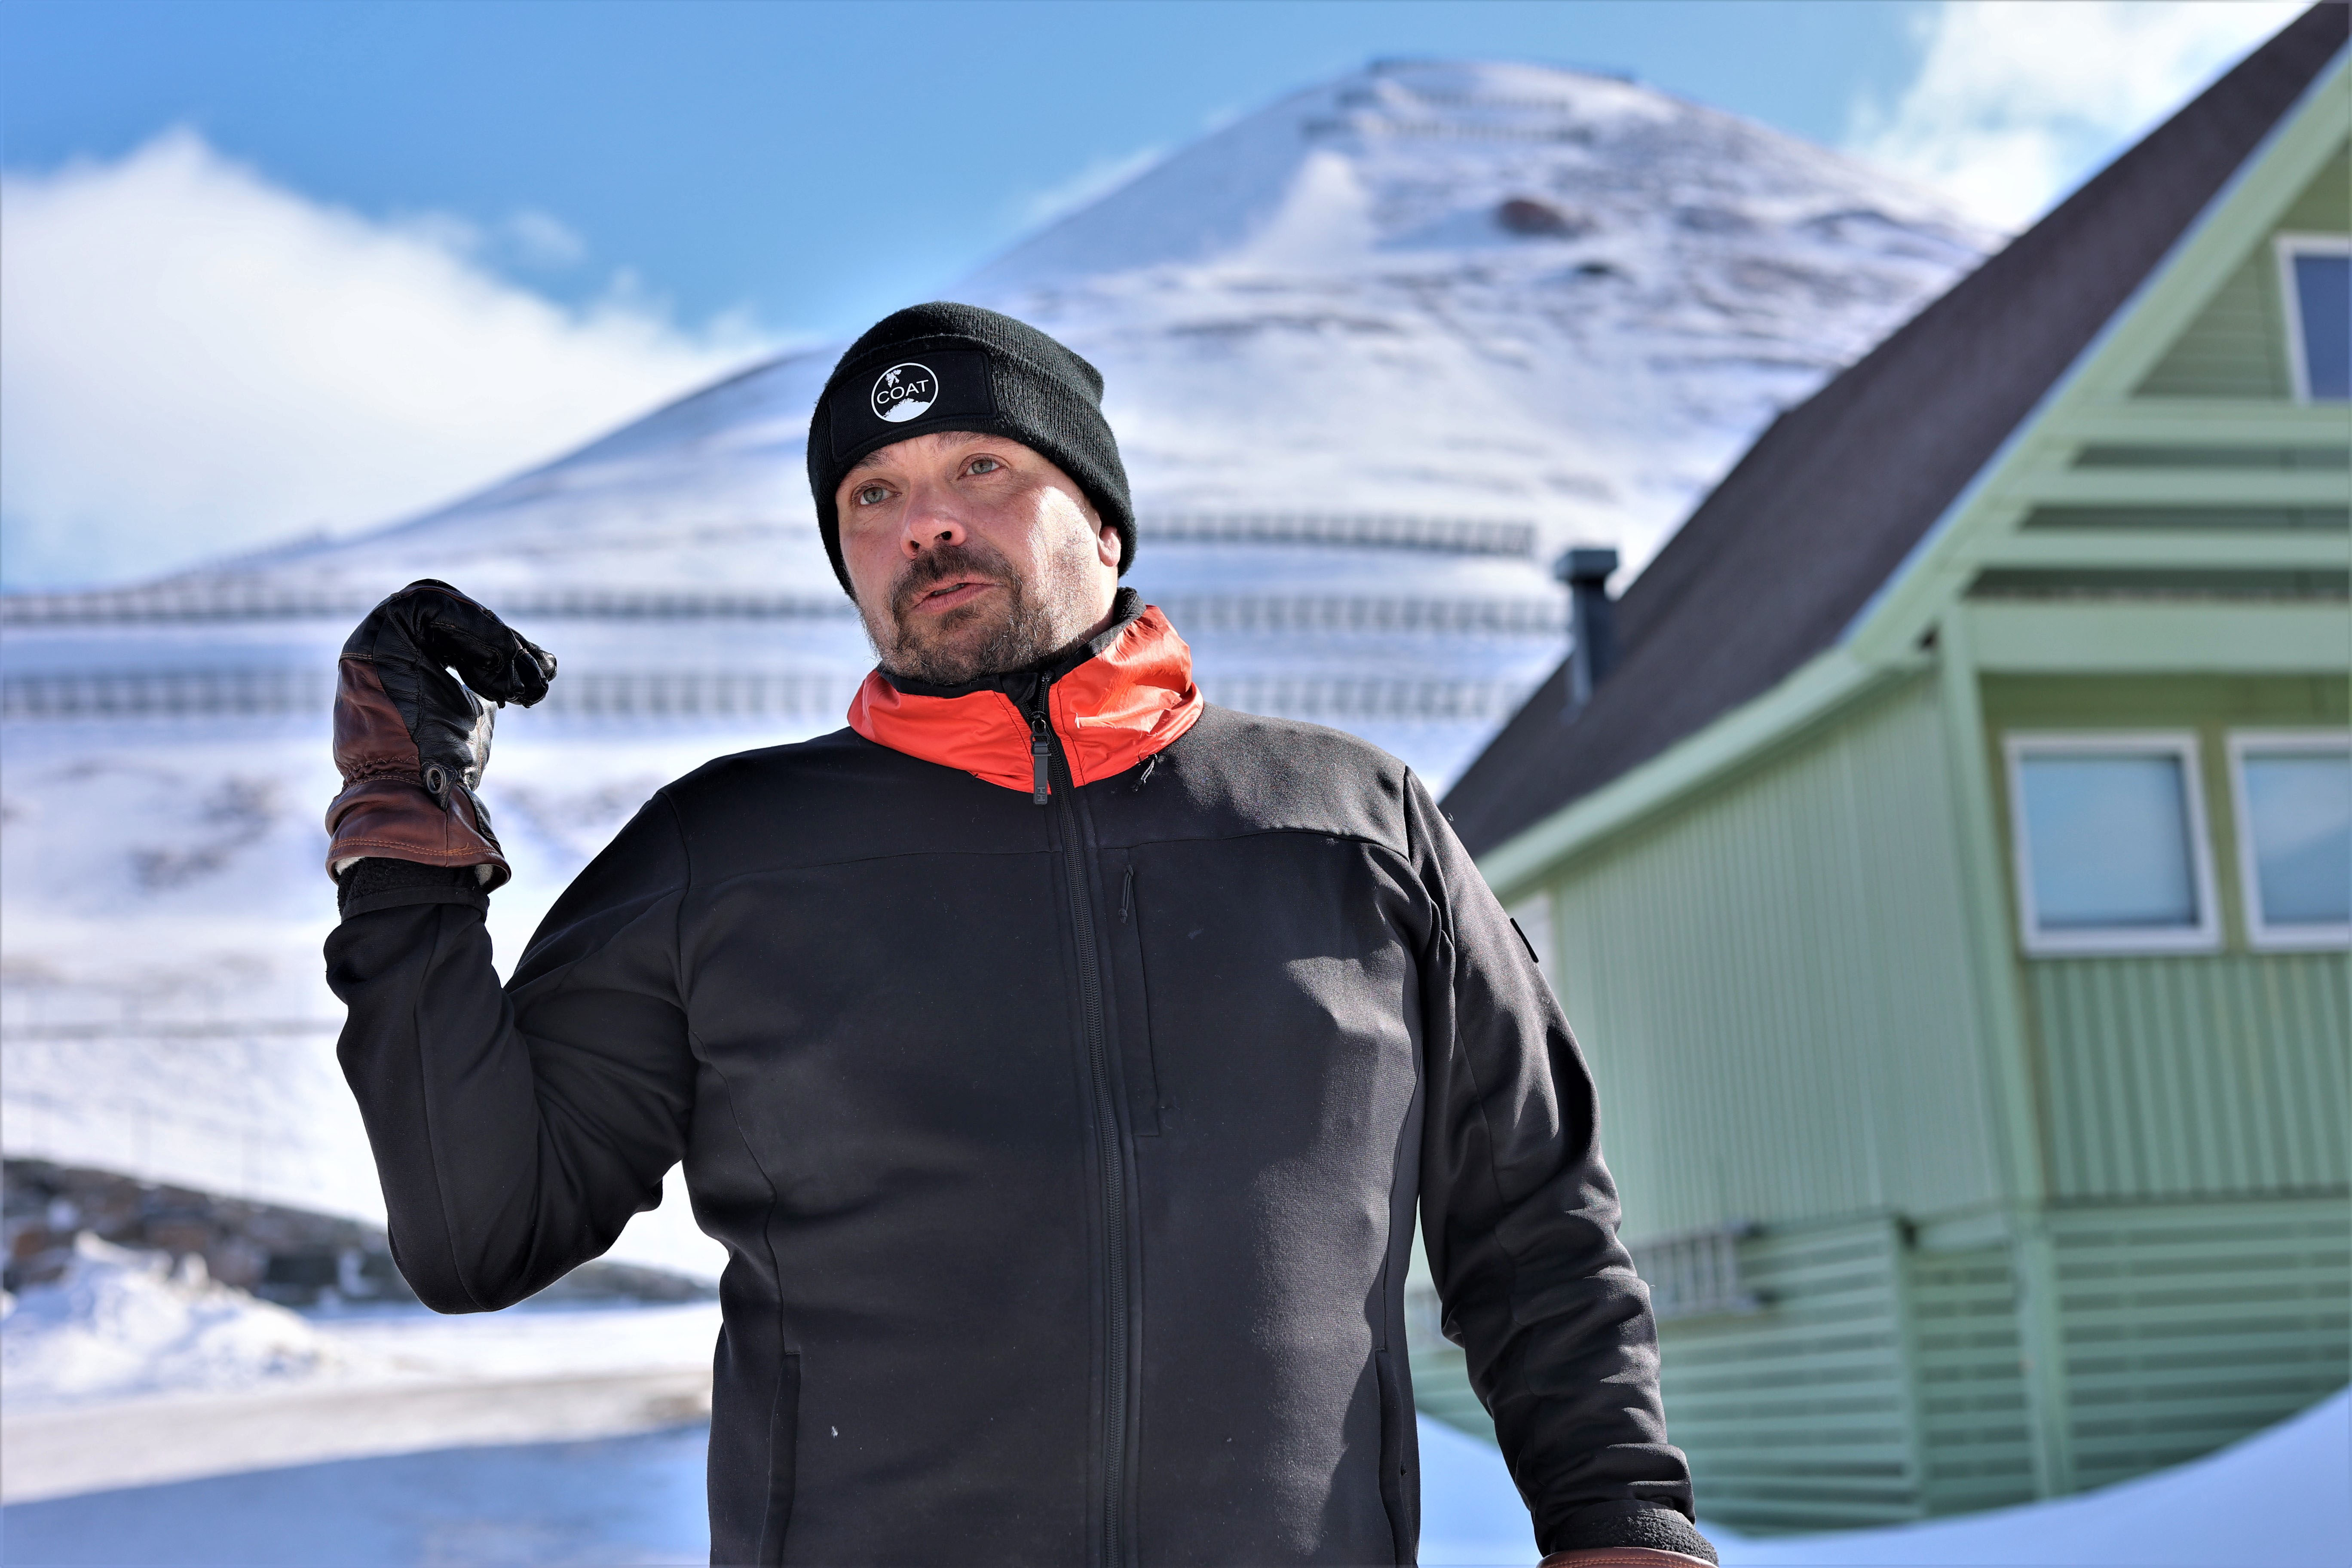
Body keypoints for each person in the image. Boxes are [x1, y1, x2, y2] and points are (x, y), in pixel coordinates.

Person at [322, 303, 1717, 1568]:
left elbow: (1535, 1230)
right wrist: (404, 843)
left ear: (1104, 522)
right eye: (874, 496)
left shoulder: (1353, 827)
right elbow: (474, 1227)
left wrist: (1625, 1530)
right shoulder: (722, 857)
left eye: (979, 468)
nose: (927, 523)